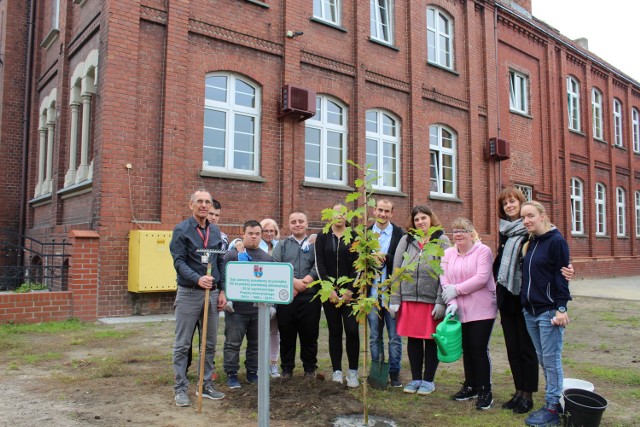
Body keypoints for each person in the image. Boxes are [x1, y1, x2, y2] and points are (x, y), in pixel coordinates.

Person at [494, 187, 576, 414]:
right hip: (510, 299)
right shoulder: (507, 232)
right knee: (513, 348)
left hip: (529, 299)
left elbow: (555, 259)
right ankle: (518, 391)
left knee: (527, 349)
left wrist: (569, 269)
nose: (509, 206)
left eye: (513, 202)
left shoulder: (532, 233)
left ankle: (528, 394)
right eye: (505, 203)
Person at [170, 189, 226, 407]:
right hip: (189, 293)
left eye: (207, 202)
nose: (204, 205)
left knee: (209, 343)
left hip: (211, 294)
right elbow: (179, 262)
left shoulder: (215, 232)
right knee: (183, 344)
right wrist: (197, 279)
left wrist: (221, 290)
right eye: (200, 201)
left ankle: (205, 385)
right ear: (190, 204)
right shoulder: (181, 230)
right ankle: (181, 388)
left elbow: (219, 262)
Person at [520, 201, 572, 427]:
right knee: (543, 359)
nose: (526, 221)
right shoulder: (531, 242)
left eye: (530, 216)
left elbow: (562, 277)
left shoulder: (556, 241)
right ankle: (553, 401)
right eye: (523, 218)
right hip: (530, 311)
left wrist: (561, 309)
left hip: (549, 311)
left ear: (542, 215)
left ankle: (552, 407)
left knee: (551, 361)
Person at [390, 205, 450, 396]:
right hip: (409, 298)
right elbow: (397, 269)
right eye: (417, 219)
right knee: (414, 339)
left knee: (431, 340)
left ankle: (428, 380)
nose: (420, 222)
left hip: (431, 300)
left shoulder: (442, 240)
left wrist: (441, 301)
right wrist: (395, 297)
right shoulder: (406, 239)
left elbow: (446, 272)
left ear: (431, 219)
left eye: (424, 218)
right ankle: (416, 378)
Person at [441, 217, 497, 411]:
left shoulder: (483, 251)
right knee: (466, 348)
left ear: (471, 233)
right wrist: (452, 301)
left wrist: (456, 290)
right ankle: (471, 385)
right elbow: (445, 280)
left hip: (482, 309)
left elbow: (481, 278)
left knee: (478, 348)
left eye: (462, 230)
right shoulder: (447, 253)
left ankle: (485, 390)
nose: (458, 234)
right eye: (455, 231)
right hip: (460, 310)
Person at [222, 220, 273, 389]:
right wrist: (226, 296)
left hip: (258, 311)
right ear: (243, 234)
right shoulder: (231, 256)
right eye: (250, 233)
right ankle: (232, 375)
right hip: (236, 310)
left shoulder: (266, 258)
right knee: (232, 344)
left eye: (257, 234)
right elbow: (223, 279)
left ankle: (252, 372)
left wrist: (272, 305)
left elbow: (271, 283)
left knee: (256, 344)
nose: (254, 237)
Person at [315, 203, 360, 388]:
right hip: (330, 294)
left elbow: (358, 266)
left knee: (351, 330)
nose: (339, 216)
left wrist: (350, 290)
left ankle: (353, 372)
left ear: (347, 216)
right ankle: (336, 371)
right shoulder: (322, 236)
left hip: (351, 293)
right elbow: (320, 265)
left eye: (343, 213)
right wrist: (329, 290)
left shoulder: (354, 236)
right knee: (334, 331)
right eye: (336, 213)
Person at [272, 211, 320, 378]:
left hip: (310, 298)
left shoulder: (315, 244)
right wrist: (294, 283)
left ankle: (309, 368)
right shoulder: (282, 245)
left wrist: (303, 284)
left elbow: (317, 267)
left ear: (307, 224)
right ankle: (287, 369)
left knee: (310, 335)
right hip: (287, 297)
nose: (297, 224)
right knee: (287, 335)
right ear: (289, 225)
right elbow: (277, 267)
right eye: (293, 222)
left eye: (301, 221)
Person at [367, 199, 406, 388]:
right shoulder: (366, 234)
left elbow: (403, 261)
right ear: (374, 211)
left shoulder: (399, 234)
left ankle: (394, 373)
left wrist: (386, 258)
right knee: (375, 336)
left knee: (394, 337)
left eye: (387, 211)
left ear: (392, 213)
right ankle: (377, 371)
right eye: (380, 210)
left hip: (392, 295)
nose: (383, 214)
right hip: (372, 294)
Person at [259, 218, 282, 378]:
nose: (268, 234)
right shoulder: (253, 245)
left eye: (271, 231)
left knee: (275, 332)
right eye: (265, 231)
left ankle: (273, 364)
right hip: (259, 295)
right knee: (259, 332)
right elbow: (234, 245)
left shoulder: (280, 246)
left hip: (275, 296)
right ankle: (260, 365)